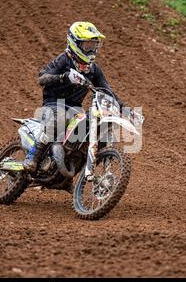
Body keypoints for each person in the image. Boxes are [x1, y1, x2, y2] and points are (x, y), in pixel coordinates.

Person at [23, 21, 124, 172]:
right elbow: (42, 78)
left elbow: (106, 90)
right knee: (58, 119)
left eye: (94, 46)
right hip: (54, 103)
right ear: (75, 43)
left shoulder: (94, 69)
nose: (91, 50)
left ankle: (70, 166)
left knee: (92, 130)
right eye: (87, 46)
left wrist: (123, 108)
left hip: (75, 109)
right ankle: (33, 155)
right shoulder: (64, 60)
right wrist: (64, 77)